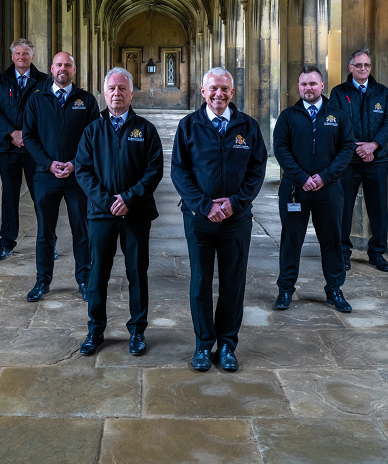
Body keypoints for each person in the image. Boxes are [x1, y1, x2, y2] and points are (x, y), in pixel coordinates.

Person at [171, 68, 267, 373]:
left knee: (233, 283)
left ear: (232, 92)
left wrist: (235, 203)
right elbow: (179, 171)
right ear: (203, 91)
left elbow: (257, 169)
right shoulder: (189, 126)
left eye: (225, 89)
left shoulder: (248, 127)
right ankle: (202, 345)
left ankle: (227, 344)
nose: (219, 94)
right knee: (200, 281)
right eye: (213, 88)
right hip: (199, 218)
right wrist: (204, 205)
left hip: (236, 220)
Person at [75, 68, 163, 357]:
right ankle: (95, 330)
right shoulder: (92, 130)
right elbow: (83, 171)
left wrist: (128, 198)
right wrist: (106, 201)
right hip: (101, 215)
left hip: (135, 214)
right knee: (98, 273)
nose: (117, 93)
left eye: (122, 89)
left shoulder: (145, 130)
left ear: (131, 93)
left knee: (137, 272)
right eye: (112, 88)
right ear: (104, 92)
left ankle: (137, 331)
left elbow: (154, 171)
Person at [273, 64, 355, 313]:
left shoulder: (337, 115)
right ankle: (286, 289)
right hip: (295, 190)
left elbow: (347, 148)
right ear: (299, 87)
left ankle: (334, 290)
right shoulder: (288, 116)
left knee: (332, 241)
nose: (308, 88)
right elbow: (281, 149)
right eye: (304, 84)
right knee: (291, 240)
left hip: (328, 190)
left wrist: (324, 177)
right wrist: (301, 178)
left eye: (313, 83)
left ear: (322, 85)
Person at [22, 52, 100, 301]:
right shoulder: (36, 100)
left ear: (74, 70)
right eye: (58, 65)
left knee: (82, 231)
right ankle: (42, 281)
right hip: (46, 176)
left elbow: (94, 138)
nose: (62, 68)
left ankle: (85, 280)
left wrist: (76, 164)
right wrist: (48, 163)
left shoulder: (86, 100)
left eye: (67, 65)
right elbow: (29, 137)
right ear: (52, 69)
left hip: (78, 178)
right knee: (45, 232)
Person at [329, 50, 388, 272]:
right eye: (358, 65)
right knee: (344, 208)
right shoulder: (339, 93)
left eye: (366, 65)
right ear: (350, 67)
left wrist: (374, 145)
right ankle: (343, 252)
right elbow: (336, 122)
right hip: (348, 160)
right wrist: (359, 148)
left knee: (378, 208)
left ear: (370, 67)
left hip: (377, 160)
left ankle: (376, 253)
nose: (363, 69)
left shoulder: (382, 92)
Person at [0, 39, 48, 261]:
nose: (21, 57)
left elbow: (49, 112)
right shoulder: (0, 81)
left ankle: (48, 242)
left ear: (32, 56)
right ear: (12, 57)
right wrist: (12, 133)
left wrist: (27, 136)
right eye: (18, 53)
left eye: (26, 53)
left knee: (41, 197)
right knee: (9, 196)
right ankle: (7, 243)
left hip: (35, 150)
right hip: (8, 147)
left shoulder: (44, 81)